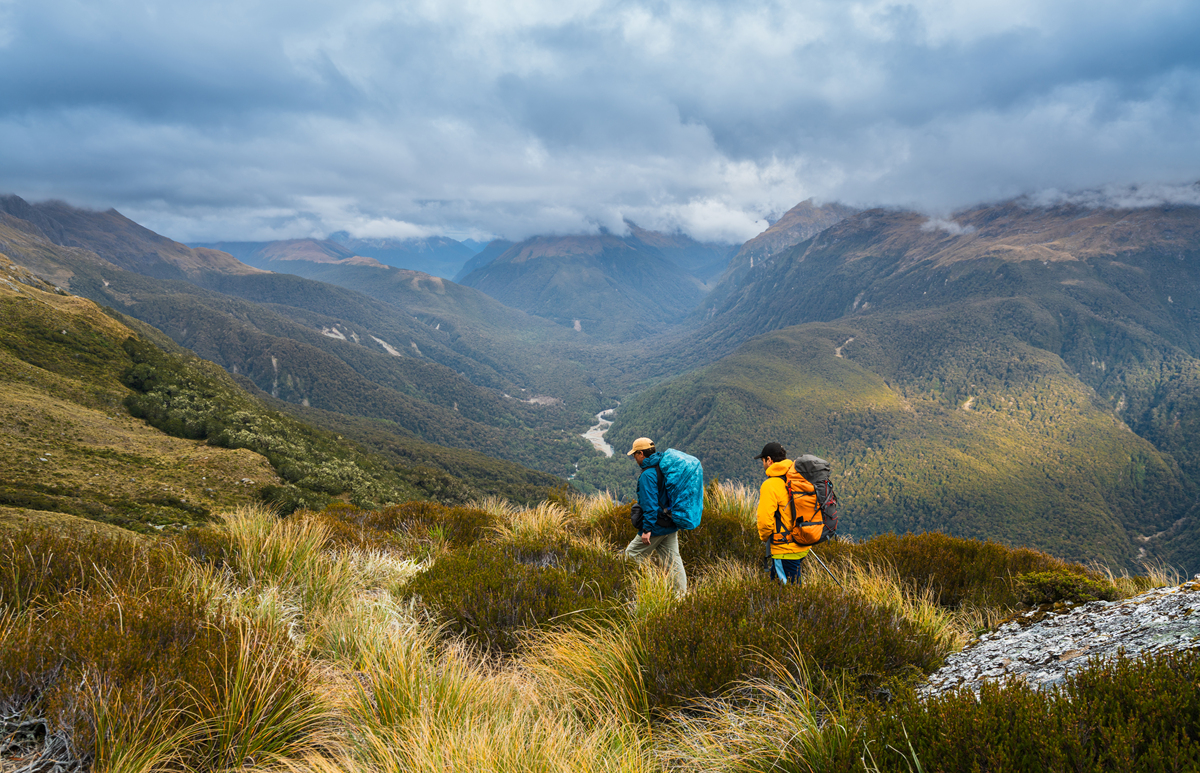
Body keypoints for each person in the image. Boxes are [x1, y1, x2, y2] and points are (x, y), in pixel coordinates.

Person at [624, 436, 687, 595]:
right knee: (673, 562)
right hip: (671, 523)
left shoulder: (647, 475)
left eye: (634, 455)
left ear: (641, 454)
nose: (634, 458)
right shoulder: (664, 467)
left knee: (630, 556)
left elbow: (650, 505)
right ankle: (681, 597)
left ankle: (633, 591)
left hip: (656, 526)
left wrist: (647, 530)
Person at [755, 442, 809, 584]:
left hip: (784, 548)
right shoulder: (796, 477)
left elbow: (765, 522)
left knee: (786, 595)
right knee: (793, 587)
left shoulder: (770, 485)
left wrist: (764, 537)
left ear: (769, 460)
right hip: (803, 544)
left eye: (763, 461)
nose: (763, 464)